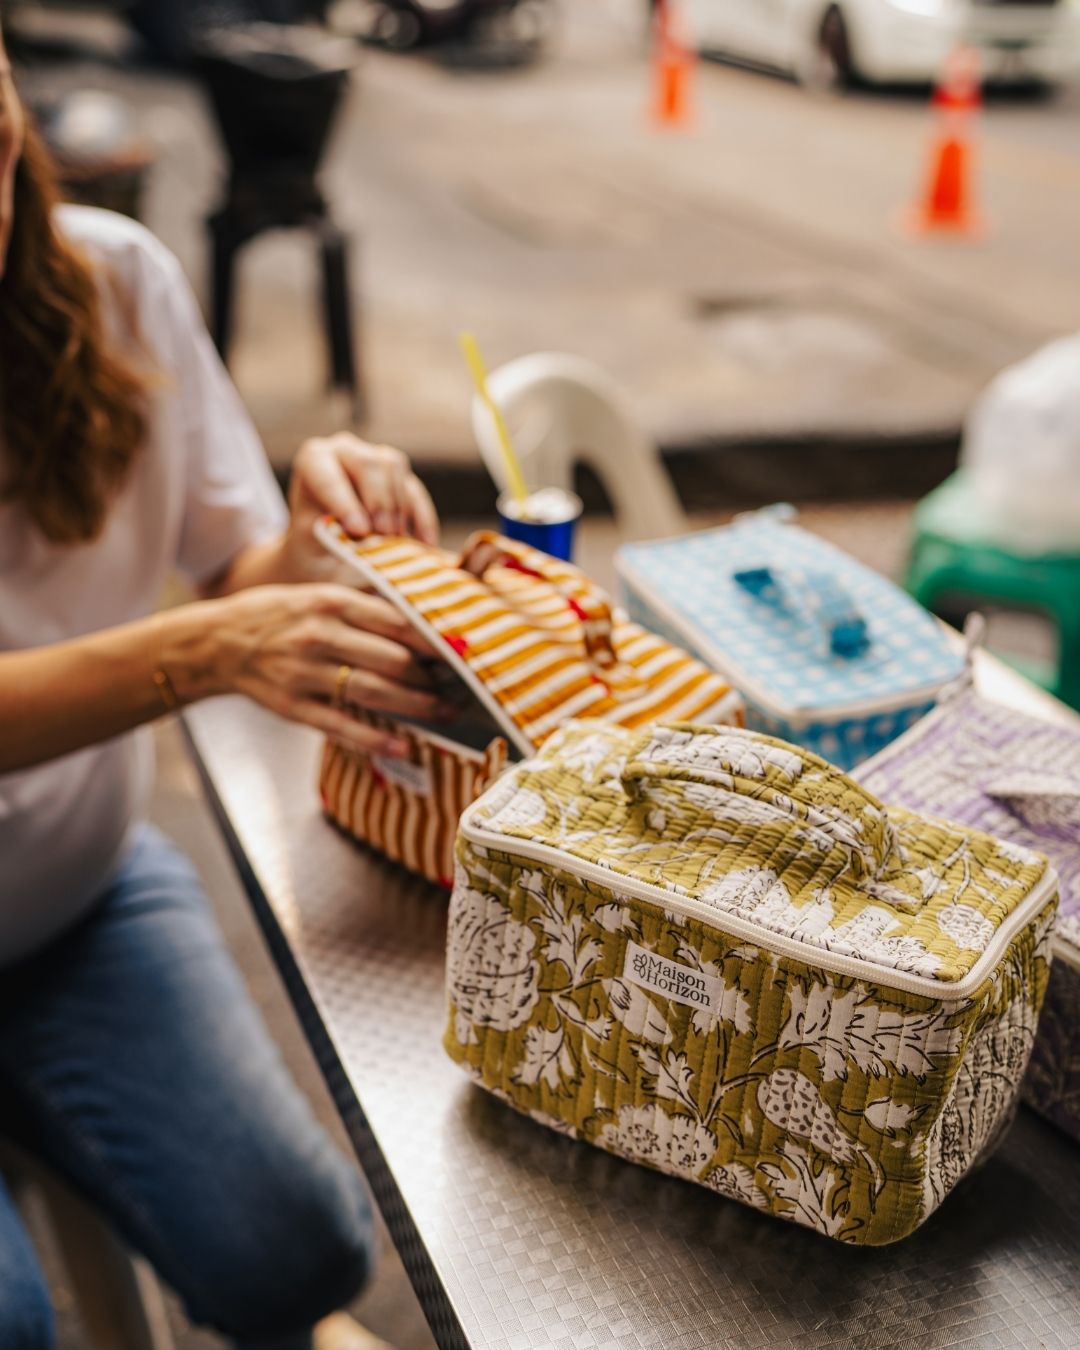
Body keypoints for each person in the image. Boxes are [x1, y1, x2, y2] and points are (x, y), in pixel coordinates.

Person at [0, 26, 450, 1350]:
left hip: (68, 905)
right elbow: (218, 637)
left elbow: (237, 569)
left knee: (298, 1248)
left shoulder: (114, 283)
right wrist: (208, 653)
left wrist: (326, 520)